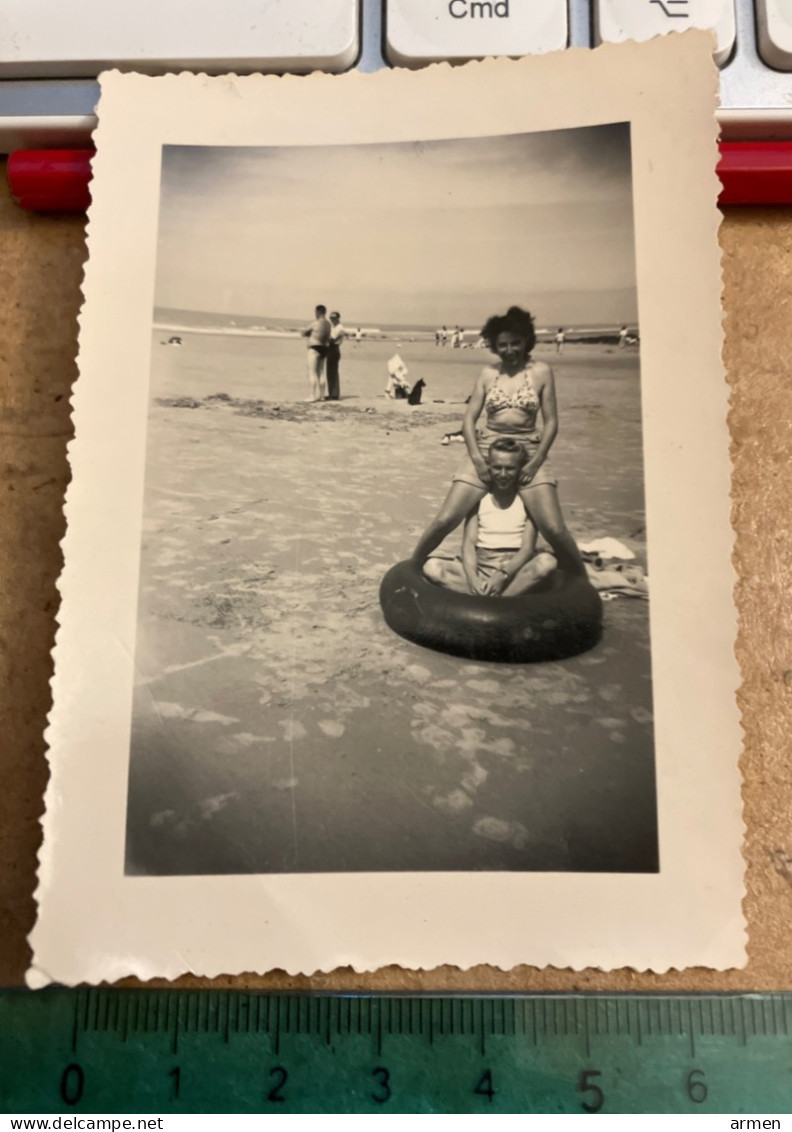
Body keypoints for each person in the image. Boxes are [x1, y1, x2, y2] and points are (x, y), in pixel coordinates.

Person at [412, 305, 587, 578]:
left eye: (515, 343)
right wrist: (477, 459)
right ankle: (412, 570)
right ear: (494, 345)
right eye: (502, 345)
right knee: (446, 519)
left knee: (553, 528)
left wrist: (537, 461)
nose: (509, 350)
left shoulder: (541, 371)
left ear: (527, 341)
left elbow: (551, 422)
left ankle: (580, 584)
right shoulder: (487, 374)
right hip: (486, 446)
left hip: (529, 449)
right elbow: (469, 420)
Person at [424, 438, 555, 597]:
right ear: (489, 467)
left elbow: (527, 549)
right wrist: (473, 578)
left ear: (520, 469)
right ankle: (492, 596)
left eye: (510, 468)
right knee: (432, 567)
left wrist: (502, 575)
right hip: (481, 564)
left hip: (514, 568)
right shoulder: (479, 498)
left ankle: (494, 600)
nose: (503, 474)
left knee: (547, 563)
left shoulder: (527, 500)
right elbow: (469, 544)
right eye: (497, 468)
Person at [300, 304, 331, 401]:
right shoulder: (328, 324)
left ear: (317, 312)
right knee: (321, 372)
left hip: (314, 347)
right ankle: (322, 396)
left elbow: (303, 333)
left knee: (312, 372)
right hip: (324, 348)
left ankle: (312, 396)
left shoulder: (315, 323)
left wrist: (309, 334)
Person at [326, 311, 346, 401]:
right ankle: (332, 393)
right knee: (330, 372)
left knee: (333, 372)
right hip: (331, 349)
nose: (332, 320)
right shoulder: (334, 327)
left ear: (338, 318)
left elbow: (331, 339)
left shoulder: (339, 328)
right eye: (331, 318)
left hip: (334, 349)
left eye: (334, 318)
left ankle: (334, 394)